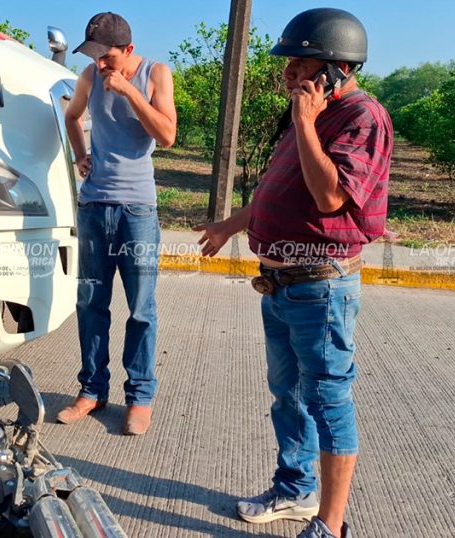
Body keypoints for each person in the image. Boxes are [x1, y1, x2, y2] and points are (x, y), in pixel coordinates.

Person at [194, 8, 391, 538]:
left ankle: (330, 523)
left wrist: (305, 122)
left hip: (320, 288)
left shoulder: (361, 117)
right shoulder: (309, 114)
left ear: (336, 69)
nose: (287, 74)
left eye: (299, 65)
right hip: (281, 287)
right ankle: (296, 489)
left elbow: (329, 198)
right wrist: (231, 225)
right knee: (288, 395)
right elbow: (278, 190)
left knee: (327, 402)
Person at [55, 12, 177, 436]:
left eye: (107, 56)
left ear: (129, 50)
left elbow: (167, 135)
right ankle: (92, 390)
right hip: (93, 207)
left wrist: (128, 91)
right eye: (94, 56)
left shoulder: (156, 73)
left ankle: (139, 397)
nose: (100, 64)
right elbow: (72, 117)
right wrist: (80, 155)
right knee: (91, 304)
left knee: (141, 309)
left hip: (137, 211)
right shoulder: (89, 76)